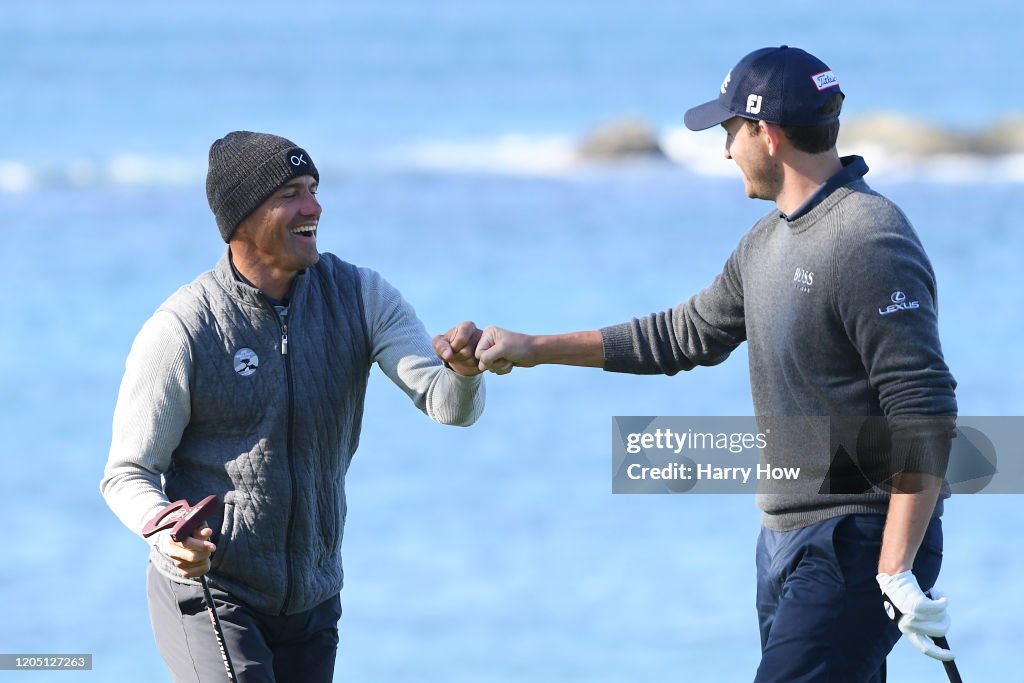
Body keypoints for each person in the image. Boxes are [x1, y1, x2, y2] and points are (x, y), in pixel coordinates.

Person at [441, 46, 958, 681]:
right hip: (785, 538)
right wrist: (533, 347)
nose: (723, 150)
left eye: (729, 132)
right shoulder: (767, 241)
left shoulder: (868, 237)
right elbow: (683, 335)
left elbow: (925, 412)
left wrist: (896, 567)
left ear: (765, 135)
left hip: (856, 540)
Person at [101, 131, 486, 682]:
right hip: (212, 592)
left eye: (313, 188)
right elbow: (127, 473)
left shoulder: (361, 297)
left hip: (313, 596)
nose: (314, 206)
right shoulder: (184, 328)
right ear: (241, 220)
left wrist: (463, 372)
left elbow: (448, 404)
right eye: (290, 193)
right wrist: (169, 533)